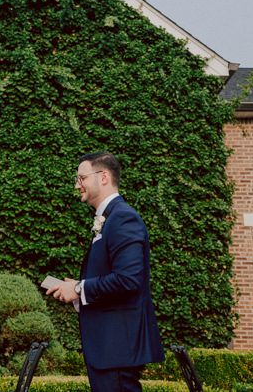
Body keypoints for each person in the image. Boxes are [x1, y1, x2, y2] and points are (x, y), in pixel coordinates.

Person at [46, 152, 163, 392]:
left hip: (117, 346)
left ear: (104, 177)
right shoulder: (110, 218)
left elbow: (129, 279)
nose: (77, 185)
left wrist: (79, 288)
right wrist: (78, 288)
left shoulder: (123, 218)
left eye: (81, 178)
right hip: (109, 347)